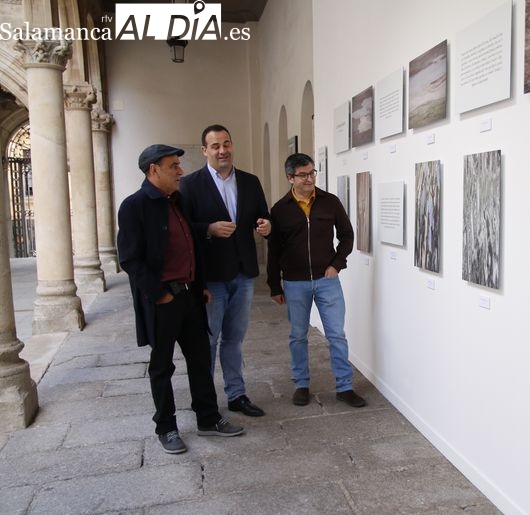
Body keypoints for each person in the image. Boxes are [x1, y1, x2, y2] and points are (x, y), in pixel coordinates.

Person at [117, 144, 244, 454]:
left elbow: (190, 247)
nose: (180, 171)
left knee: (201, 360)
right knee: (162, 367)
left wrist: (198, 284)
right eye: (173, 166)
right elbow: (130, 259)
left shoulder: (178, 201)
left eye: (178, 165)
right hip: (162, 302)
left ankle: (208, 418)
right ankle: (167, 427)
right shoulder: (134, 206)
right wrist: (158, 293)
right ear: (153, 170)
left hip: (190, 298)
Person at [180, 125, 272, 417]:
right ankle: (204, 401)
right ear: (205, 150)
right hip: (211, 276)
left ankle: (236, 395)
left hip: (243, 273)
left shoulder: (250, 181)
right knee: (208, 340)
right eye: (215, 146)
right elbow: (183, 229)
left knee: (235, 338)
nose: (222, 150)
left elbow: (262, 216)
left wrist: (266, 226)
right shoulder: (190, 185)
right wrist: (207, 229)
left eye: (227, 144)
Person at [267, 153, 366, 408]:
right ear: (290, 178)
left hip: (327, 280)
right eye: (303, 174)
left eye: (312, 173)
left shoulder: (330, 202)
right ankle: (301, 384)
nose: (310, 178)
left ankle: (344, 387)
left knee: (336, 334)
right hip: (294, 282)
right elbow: (274, 250)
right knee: (298, 336)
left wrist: (336, 264)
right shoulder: (280, 210)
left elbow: (347, 236)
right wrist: (274, 285)